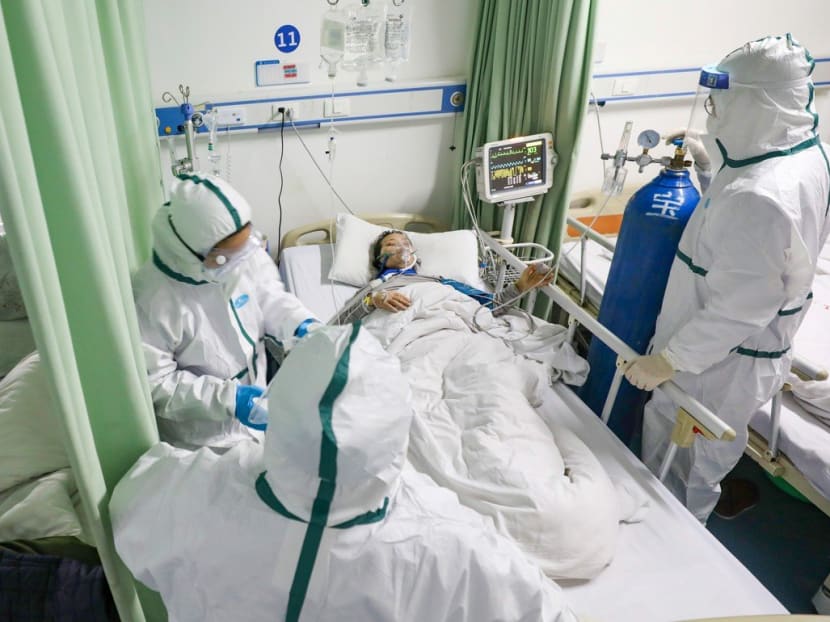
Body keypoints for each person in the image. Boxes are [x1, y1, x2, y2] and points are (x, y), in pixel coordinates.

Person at [110, 323, 578, 622]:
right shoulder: (448, 544)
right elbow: (544, 611)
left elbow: (129, 511)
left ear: (280, 415)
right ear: (396, 433)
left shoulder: (193, 490)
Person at [624, 34, 830, 523]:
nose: (712, 109)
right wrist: (707, 161)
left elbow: (740, 305)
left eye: (723, 99)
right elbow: (749, 236)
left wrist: (670, 360)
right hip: (735, 354)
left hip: (717, 367)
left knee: (683, 467)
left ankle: (674, 551)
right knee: (694, 456)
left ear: (757, 102)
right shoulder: (799, 156)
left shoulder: (763, 194)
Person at [132, 173, 319, 449]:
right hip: (204, 438)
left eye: (245, 247)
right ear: (190, 253)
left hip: (257, 406)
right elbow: (157, 383)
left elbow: (269, 296)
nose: (241, 261)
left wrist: (303, 326)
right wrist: (231, 399)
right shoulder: (153, 298)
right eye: (225, 257)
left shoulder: (242, 252)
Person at [332, 229, 554, 323]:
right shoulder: (374, 290)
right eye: (391, 244)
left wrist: (521, 286)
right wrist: (375, 300)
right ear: (378, 258)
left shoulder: (439, 282)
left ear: (415, 255)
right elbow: (339, 323)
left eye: (405, 243)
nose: (400, 246)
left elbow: (491, 307)